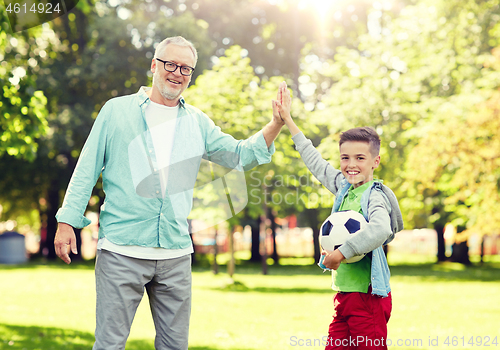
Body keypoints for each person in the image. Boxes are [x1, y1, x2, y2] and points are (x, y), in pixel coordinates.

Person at [54, 36, 285, 350]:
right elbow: (86, 169)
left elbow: (238, 155)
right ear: (154, 65)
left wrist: (274, 124)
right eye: (171, 64)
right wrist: (67, 221)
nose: (177, 73)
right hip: (122, 250)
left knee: (175, 346)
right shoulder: (116, 112)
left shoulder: (198, 122)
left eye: (186, 69)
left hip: (175, 255)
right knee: (109, 345)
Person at [275, 83, 403, 350]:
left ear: (375, 162)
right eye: (345, 158)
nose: (351, 165)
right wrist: (288, 121)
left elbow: (380, 229)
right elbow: (316, 162)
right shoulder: (343, 189)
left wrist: (342, 252)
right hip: (344, 296)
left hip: (367, 299)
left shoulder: (374, 195)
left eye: (360, 158)